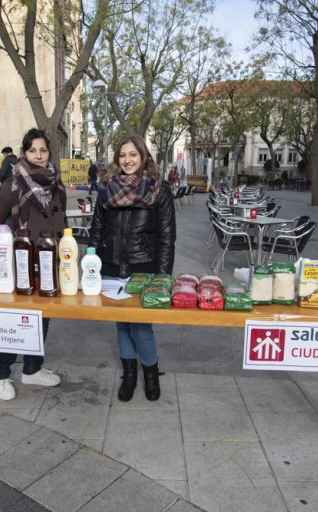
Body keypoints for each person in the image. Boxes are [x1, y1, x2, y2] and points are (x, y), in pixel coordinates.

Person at [88, 134, 176, 402]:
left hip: (144, 268)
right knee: (122, 326)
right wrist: (90, 267)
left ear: (143, 157)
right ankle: (129, 375)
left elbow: (167, 236)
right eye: (122, 155)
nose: (127, 160)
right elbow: (96, 231)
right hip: (111, 268)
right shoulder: (106, 189)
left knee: (140, 327)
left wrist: (163, 278)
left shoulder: (158, 189)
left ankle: (150, 373)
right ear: (117, 158)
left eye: (133, 155)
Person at [0, 128, 65, 400]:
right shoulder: (13, 184)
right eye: (32, 150)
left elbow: (59, 223)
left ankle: (32, 369)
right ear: (24, 152)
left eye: (43, 150)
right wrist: (13, 244)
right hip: (21, 265)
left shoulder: (56, 183)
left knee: (43, 317)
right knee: (15, 322)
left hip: (49, 262)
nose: (38, 155)